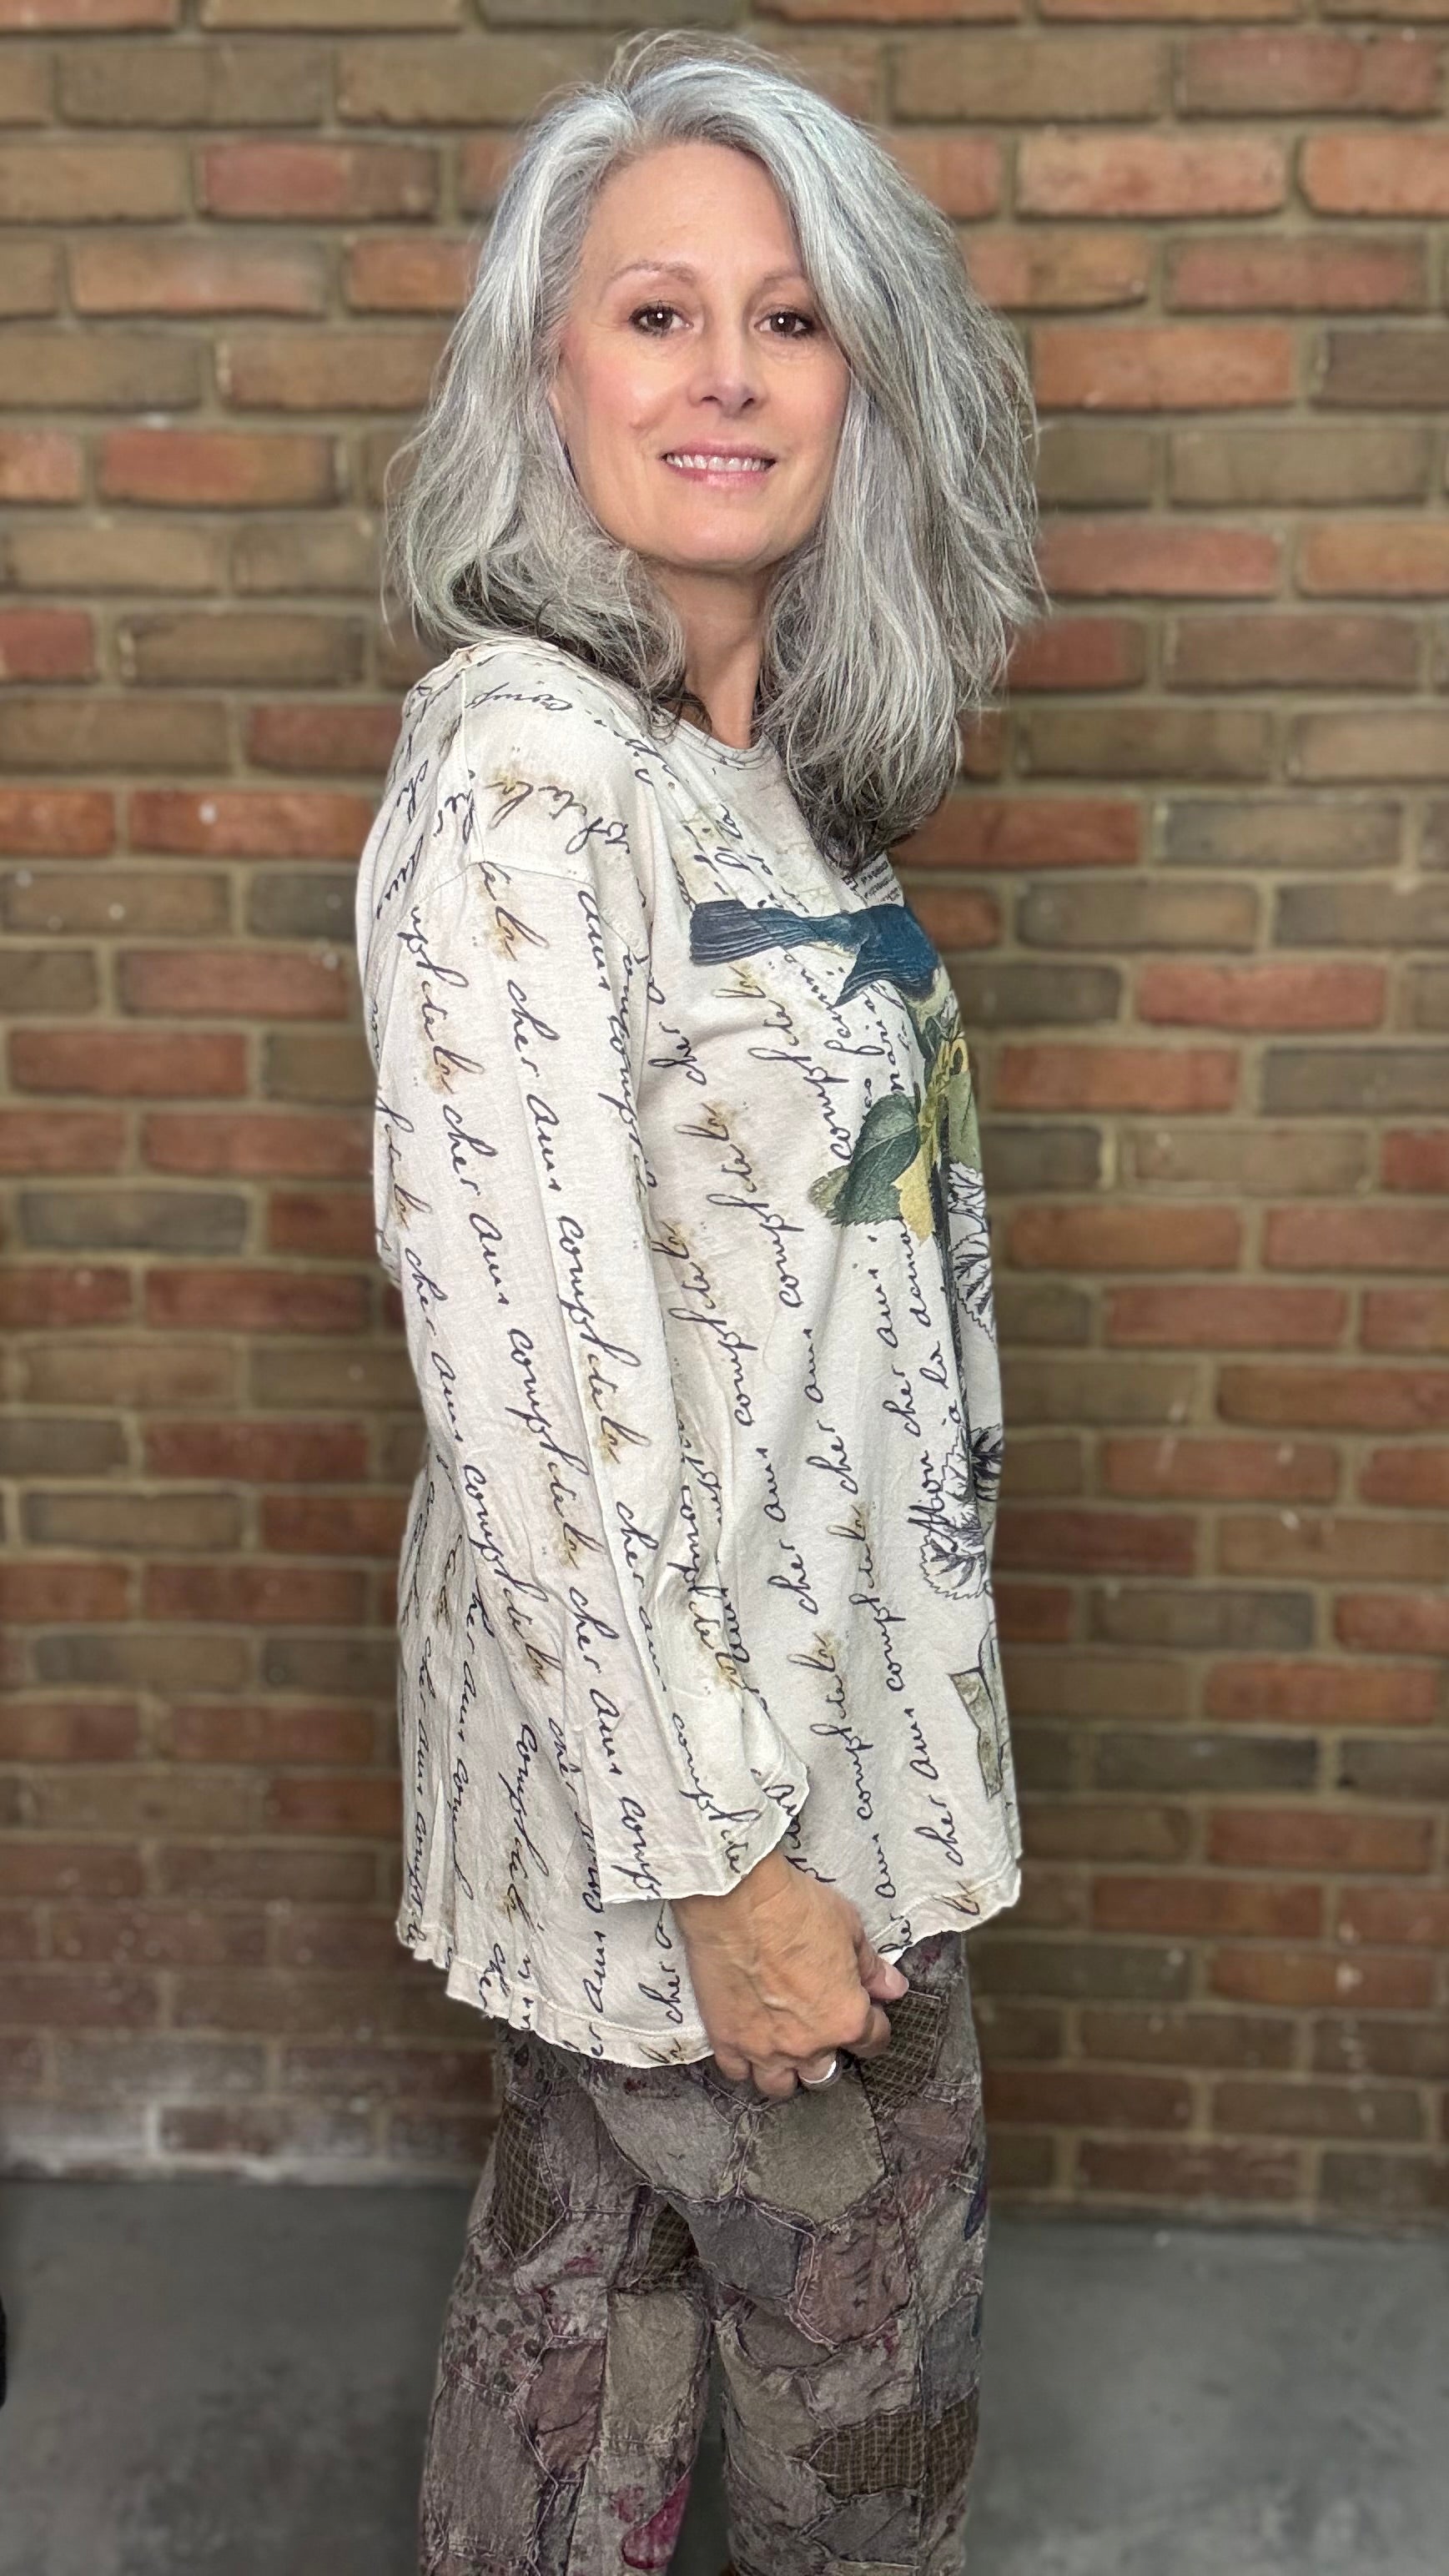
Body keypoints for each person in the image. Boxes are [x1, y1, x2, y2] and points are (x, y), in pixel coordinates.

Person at [355, 28, 1039, 2573]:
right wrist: (726, 1870)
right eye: (656, 314)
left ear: (866, 380)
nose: (727, 374)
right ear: (547, 372)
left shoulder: (768, 784)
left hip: (826, 1744)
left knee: (585, 2339)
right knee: (865, 2386)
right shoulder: (524, 777)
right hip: (721, 1813)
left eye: (789, 318)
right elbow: (528, 1374)